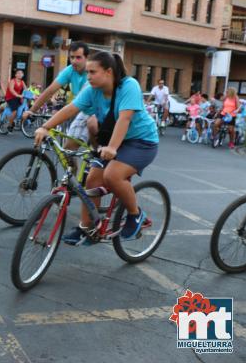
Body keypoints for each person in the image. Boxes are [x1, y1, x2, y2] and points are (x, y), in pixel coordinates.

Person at [34, 51, 159, 245]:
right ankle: (88, 229)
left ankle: (136, 215)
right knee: (91, 181)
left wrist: (112, 148)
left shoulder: (128, 85)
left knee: (112, 175)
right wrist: (45, 127)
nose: (88, 76)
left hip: (141, 141)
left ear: (108, 72)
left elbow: (124, 119)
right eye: (88, 72)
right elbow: (70, 109)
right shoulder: (92, 90)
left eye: (93, 72)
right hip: (114, 142)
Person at [24, 41, 94, 148]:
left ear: (87, 57)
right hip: (84, 112)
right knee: (68, 150)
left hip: (99, 112)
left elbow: (77, 103)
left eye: (78, 57)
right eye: (72, 57)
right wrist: (31, 110)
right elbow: (50, 90)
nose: (74, 61)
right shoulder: (70, 70)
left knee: (97, 153)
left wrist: (46, 127)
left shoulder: (92, 73)